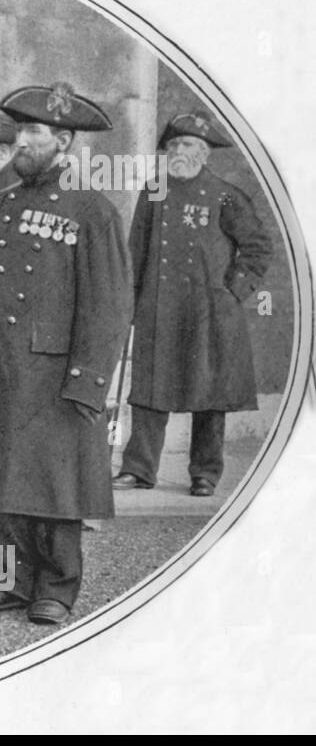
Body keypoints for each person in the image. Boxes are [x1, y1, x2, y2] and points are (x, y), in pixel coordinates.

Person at [0, 83, 131, 626]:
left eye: (33, 133)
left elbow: (108, 304)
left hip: (57, 373)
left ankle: (56, 591)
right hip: (0, 364)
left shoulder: (93, 210)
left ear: (63, 141)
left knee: (54, 484)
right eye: (18, 132)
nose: (20, 142)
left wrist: (89, 380)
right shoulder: (3, 205)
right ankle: (14, 583)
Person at [113, 112, 272, 498]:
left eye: (186, 146)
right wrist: (128, 308)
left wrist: (232, 290)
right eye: (172, 146)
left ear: (203, 153)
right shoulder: (154, 190)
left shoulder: (225, 194)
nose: (177, 152)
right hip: (158, 308)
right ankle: (138, 469)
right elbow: (136, 252)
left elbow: (258, 247)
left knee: (209, 395)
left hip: (208, 312)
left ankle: (205, 473)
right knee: (150, 391)